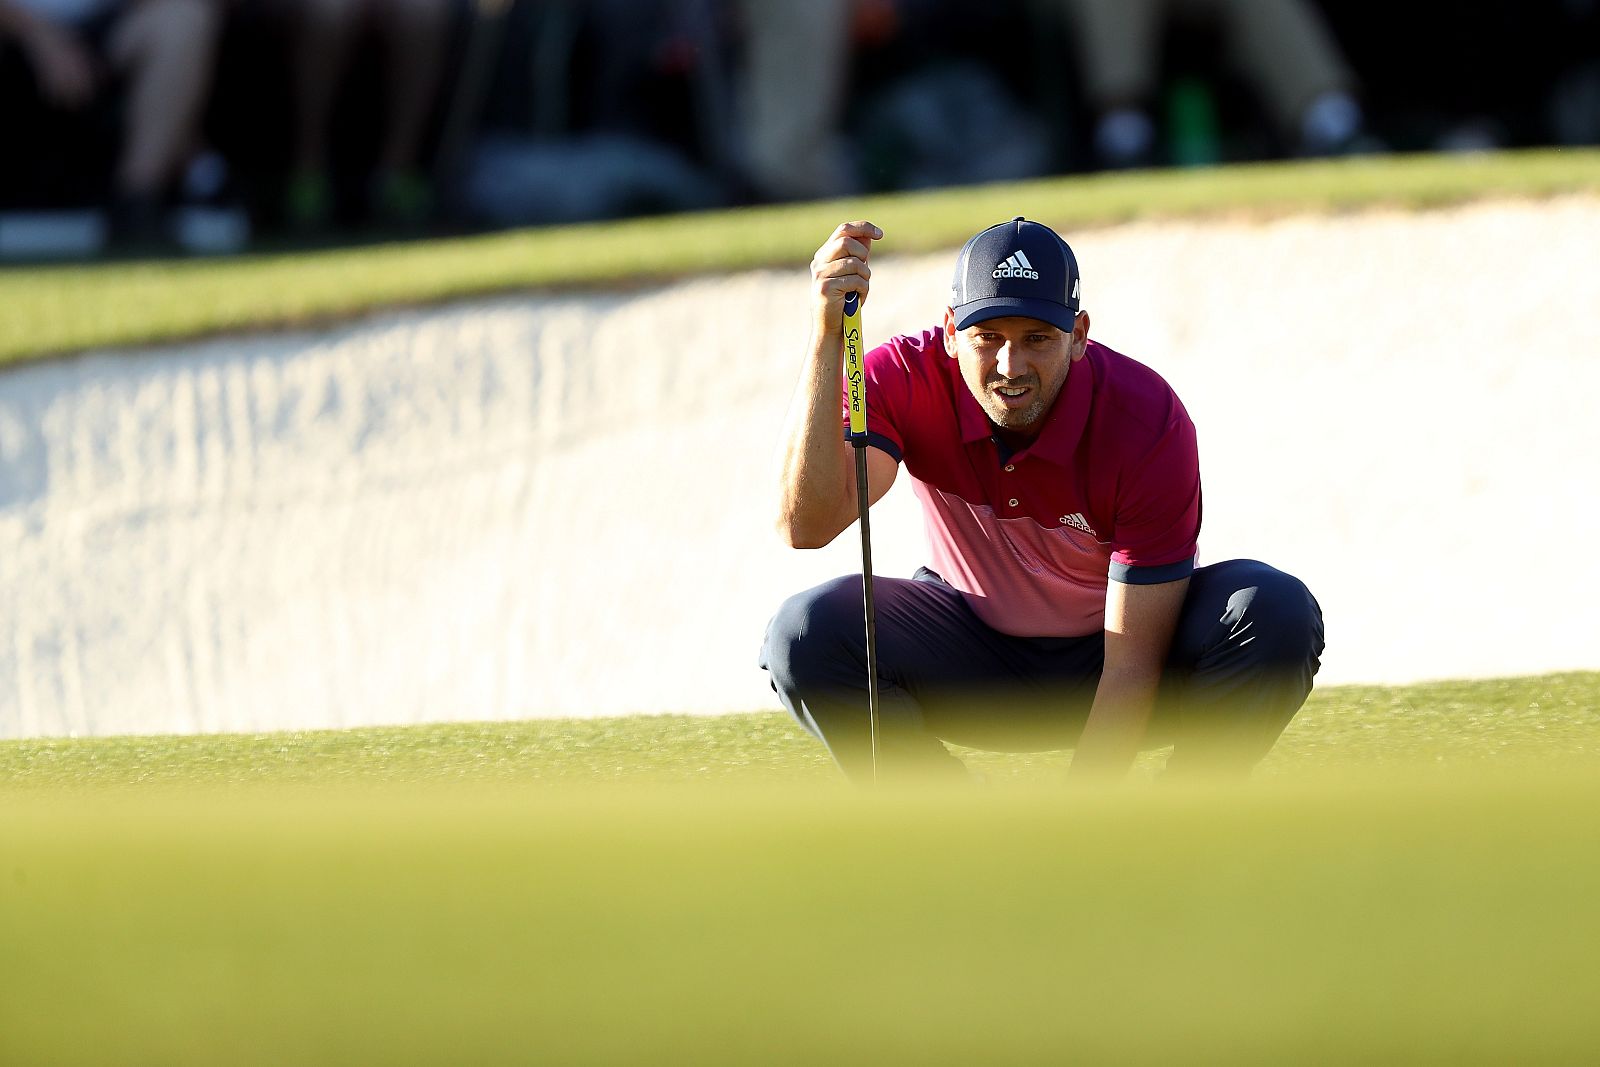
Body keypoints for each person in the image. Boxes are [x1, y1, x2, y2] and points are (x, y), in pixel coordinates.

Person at [760, 217, 1324, 783]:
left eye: (1037, 338)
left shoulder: (1145, 418)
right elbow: (805, 525)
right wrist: (826, 336)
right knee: (803, 633)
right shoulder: (903, 376)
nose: (1011, 367)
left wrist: (1077, 823)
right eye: (988, 338)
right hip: (970, 649)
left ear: (1078, 335)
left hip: (1119, 653)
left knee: (1273, 610)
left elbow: (1132, 664)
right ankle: (952, 838)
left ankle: (1177, 833)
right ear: (952, 331)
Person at [0, 0, 222, 238]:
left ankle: (136, 202)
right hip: (15, 38)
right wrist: (39, 35)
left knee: (183, 17)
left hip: (100, 41)